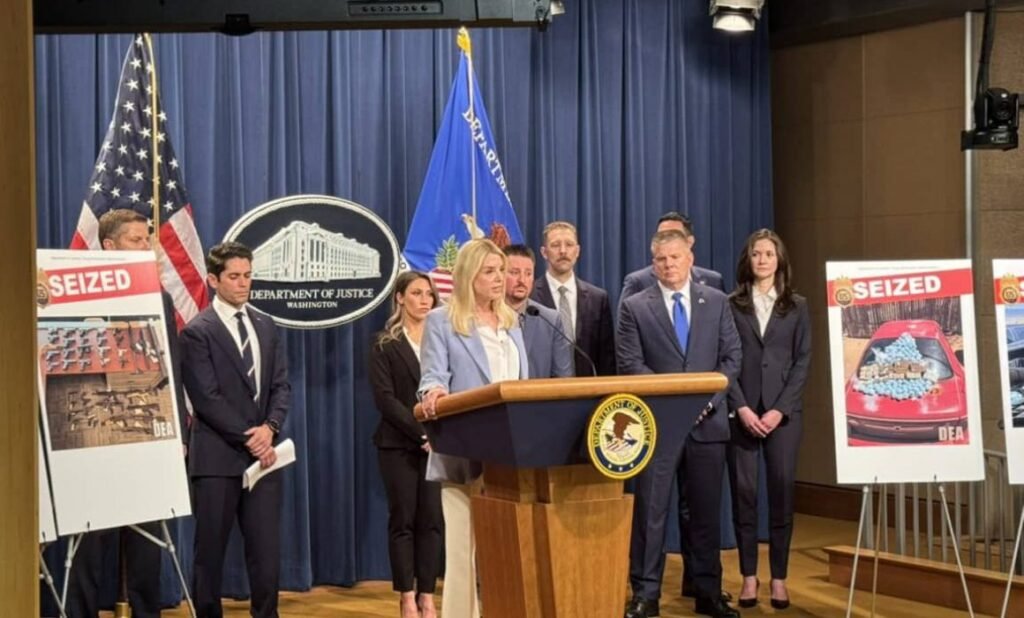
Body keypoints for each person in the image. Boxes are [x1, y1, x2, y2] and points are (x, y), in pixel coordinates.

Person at [67, 208, 188, 618]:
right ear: (109, 245)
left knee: (147, 541)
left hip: (146, 435)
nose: (147, 247)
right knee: (87, 540)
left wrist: (178, 433)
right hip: (91, 438)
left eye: (147, 239)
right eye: (137, 240)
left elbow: (171, 368)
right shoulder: (77, 293)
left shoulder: (159, 297)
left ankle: (146, 612)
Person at [617, 229, 741, 618]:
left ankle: (708, 592)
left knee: (704, 514)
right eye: (661, 259)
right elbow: (630, 364)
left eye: (675, 257)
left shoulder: (717, 301)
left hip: (708, 424)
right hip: (658, 426)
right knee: (650, 513)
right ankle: (645, 594)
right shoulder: (635, 306)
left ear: (691, 258)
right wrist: (676, 403)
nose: (669, 264)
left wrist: (705, 400)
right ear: (653, 264)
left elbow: (732, 358)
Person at [419, 238, 530, 618]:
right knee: (462, 551)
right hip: (464, 448)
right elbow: (433, 374)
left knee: (507, 548)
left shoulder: (513, 322)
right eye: (490, 271)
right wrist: (434, 391)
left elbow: (522, 383)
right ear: (469, 275)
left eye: (502, 271)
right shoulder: (442, 321)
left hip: (512, 454)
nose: (500, 278)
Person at [180, 241, 290, 618]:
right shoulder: (198, 332)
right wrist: (251, 437)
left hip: (264, 458)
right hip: (217, 458)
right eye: (234, 277)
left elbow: (280, 385)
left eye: (248, 276)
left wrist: (270, 427)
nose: (244, 284)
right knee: (209, 554)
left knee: (266, 553)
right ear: (213, 280)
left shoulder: (265, 324)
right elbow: (206, 398)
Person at [725, 229, 811, 610]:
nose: (762, 260)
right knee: (744, 496)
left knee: (781, 494)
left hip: (783, 416)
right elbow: (724, 359)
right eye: (756, 253)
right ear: (748, 260)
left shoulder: (797, 306)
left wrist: (779, 409)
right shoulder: (731, 304)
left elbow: (802, 361)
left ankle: (778, 578)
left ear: (779, 261)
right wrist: (742, 407)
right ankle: (749, 576)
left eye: (769, 254)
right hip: (742, 412)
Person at [368, 271, 443, 618]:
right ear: (399, 298)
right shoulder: (384, 343)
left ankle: (427, 594)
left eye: (429, 294)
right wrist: (421, 434)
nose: (425, 300)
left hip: (439, 445)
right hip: (398, 444)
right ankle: (407, 596)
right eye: (416, 293)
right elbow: (385, 400)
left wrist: (438, 436)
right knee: (404, 520)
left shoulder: (442, 340)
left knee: (432, 521)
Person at [531, 221, 616, 376]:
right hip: (542, 386)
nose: (563, 251)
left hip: (588, 387)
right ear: (544, 252)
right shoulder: (530, 297)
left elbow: (606, 358)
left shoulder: (598, 299)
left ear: (577, 251)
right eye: (555, 245)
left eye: (569, 245)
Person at [619, 212, 724, 316]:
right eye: (661, 236)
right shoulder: (638, 282)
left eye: (674, 236)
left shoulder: (713, 281)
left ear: (690, 242)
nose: (666, 241)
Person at [503, 244, 574, 378]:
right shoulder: (487, 317)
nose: (522, 280)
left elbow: (563, 378)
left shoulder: (550, 320)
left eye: (528, 273)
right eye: (514, 273)